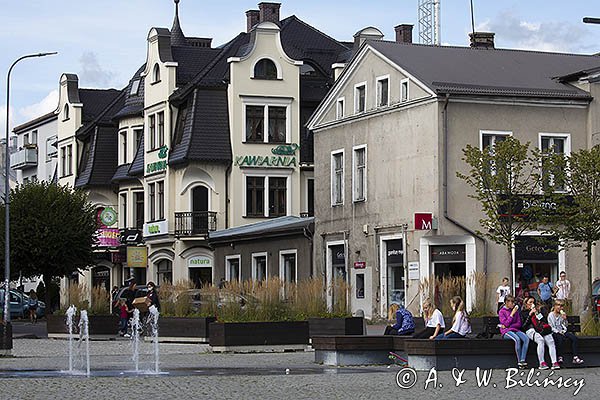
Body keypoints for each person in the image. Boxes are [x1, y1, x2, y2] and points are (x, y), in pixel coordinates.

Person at [521, 296, 559, 370]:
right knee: (540, 340)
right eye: (530, 302)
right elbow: (524, 326)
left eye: (533, 302)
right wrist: (530, 315)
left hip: (540, 329)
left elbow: (543, 321)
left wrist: (537, 313)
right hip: (530, 330)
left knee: (550, 340)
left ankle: (554, 362)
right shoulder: (523, 313)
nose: (532, 304)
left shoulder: (537, 311)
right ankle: (542, 362)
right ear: (526, 304)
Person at [548, 299, 584, 365]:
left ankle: (575, 357)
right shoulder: (551, 315)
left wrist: (565, 319)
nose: (560, 307)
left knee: (574, 338)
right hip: (555, 332)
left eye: (561, 306)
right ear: (555, 306)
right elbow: (551, 327)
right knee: (560, 339)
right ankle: (559, 356)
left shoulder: (562, 315)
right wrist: (558, 332)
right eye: (558, 305)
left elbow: (565, 325)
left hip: (563, 331)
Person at [498, 295, 529, 368]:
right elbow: (505, 323)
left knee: (526, 339)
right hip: (506, 331)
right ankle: (519, 361)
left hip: (514, 329)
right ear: (506, 302)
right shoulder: (502, 312)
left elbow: (519, 323)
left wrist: (509, 326)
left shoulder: (516, 311)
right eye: (511, 302)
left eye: (513, 302)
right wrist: (511, 314)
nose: (513, 304)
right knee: (517, 339)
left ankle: (522, 359)